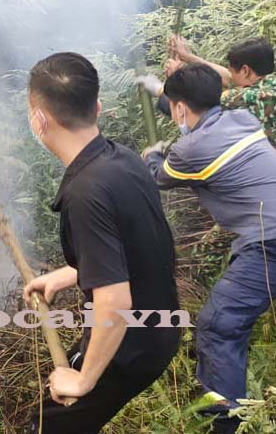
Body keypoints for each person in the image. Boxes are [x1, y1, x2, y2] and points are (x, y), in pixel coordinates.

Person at [142, 64, 276, 434]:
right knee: (225, 323)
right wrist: (162, 94)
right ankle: (228, 405)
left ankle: (226, 424)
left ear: (179, 108)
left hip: (275, 246)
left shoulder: (191, 149)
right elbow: (196, 115)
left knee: (217, 326)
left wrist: (151, 155)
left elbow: (159, 176)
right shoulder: (241, 118)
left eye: (172, 106)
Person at [22, 52, 181, 434]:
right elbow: (136, 244)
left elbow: (115, 301)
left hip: (129, 344)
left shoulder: (85, 193)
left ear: (39, 120)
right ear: (96, 106)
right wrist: (69, 274)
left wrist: (84, 379)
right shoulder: (122, 159)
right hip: (157, 329)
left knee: (47, 426)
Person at [137, 36, 276, 197]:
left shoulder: (245, 97)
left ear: (246, 70)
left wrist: (166, 85)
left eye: (234, 70)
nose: (230, 77)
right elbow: (227, 76)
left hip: (273, 189)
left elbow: (196, 105)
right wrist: (189, 57)